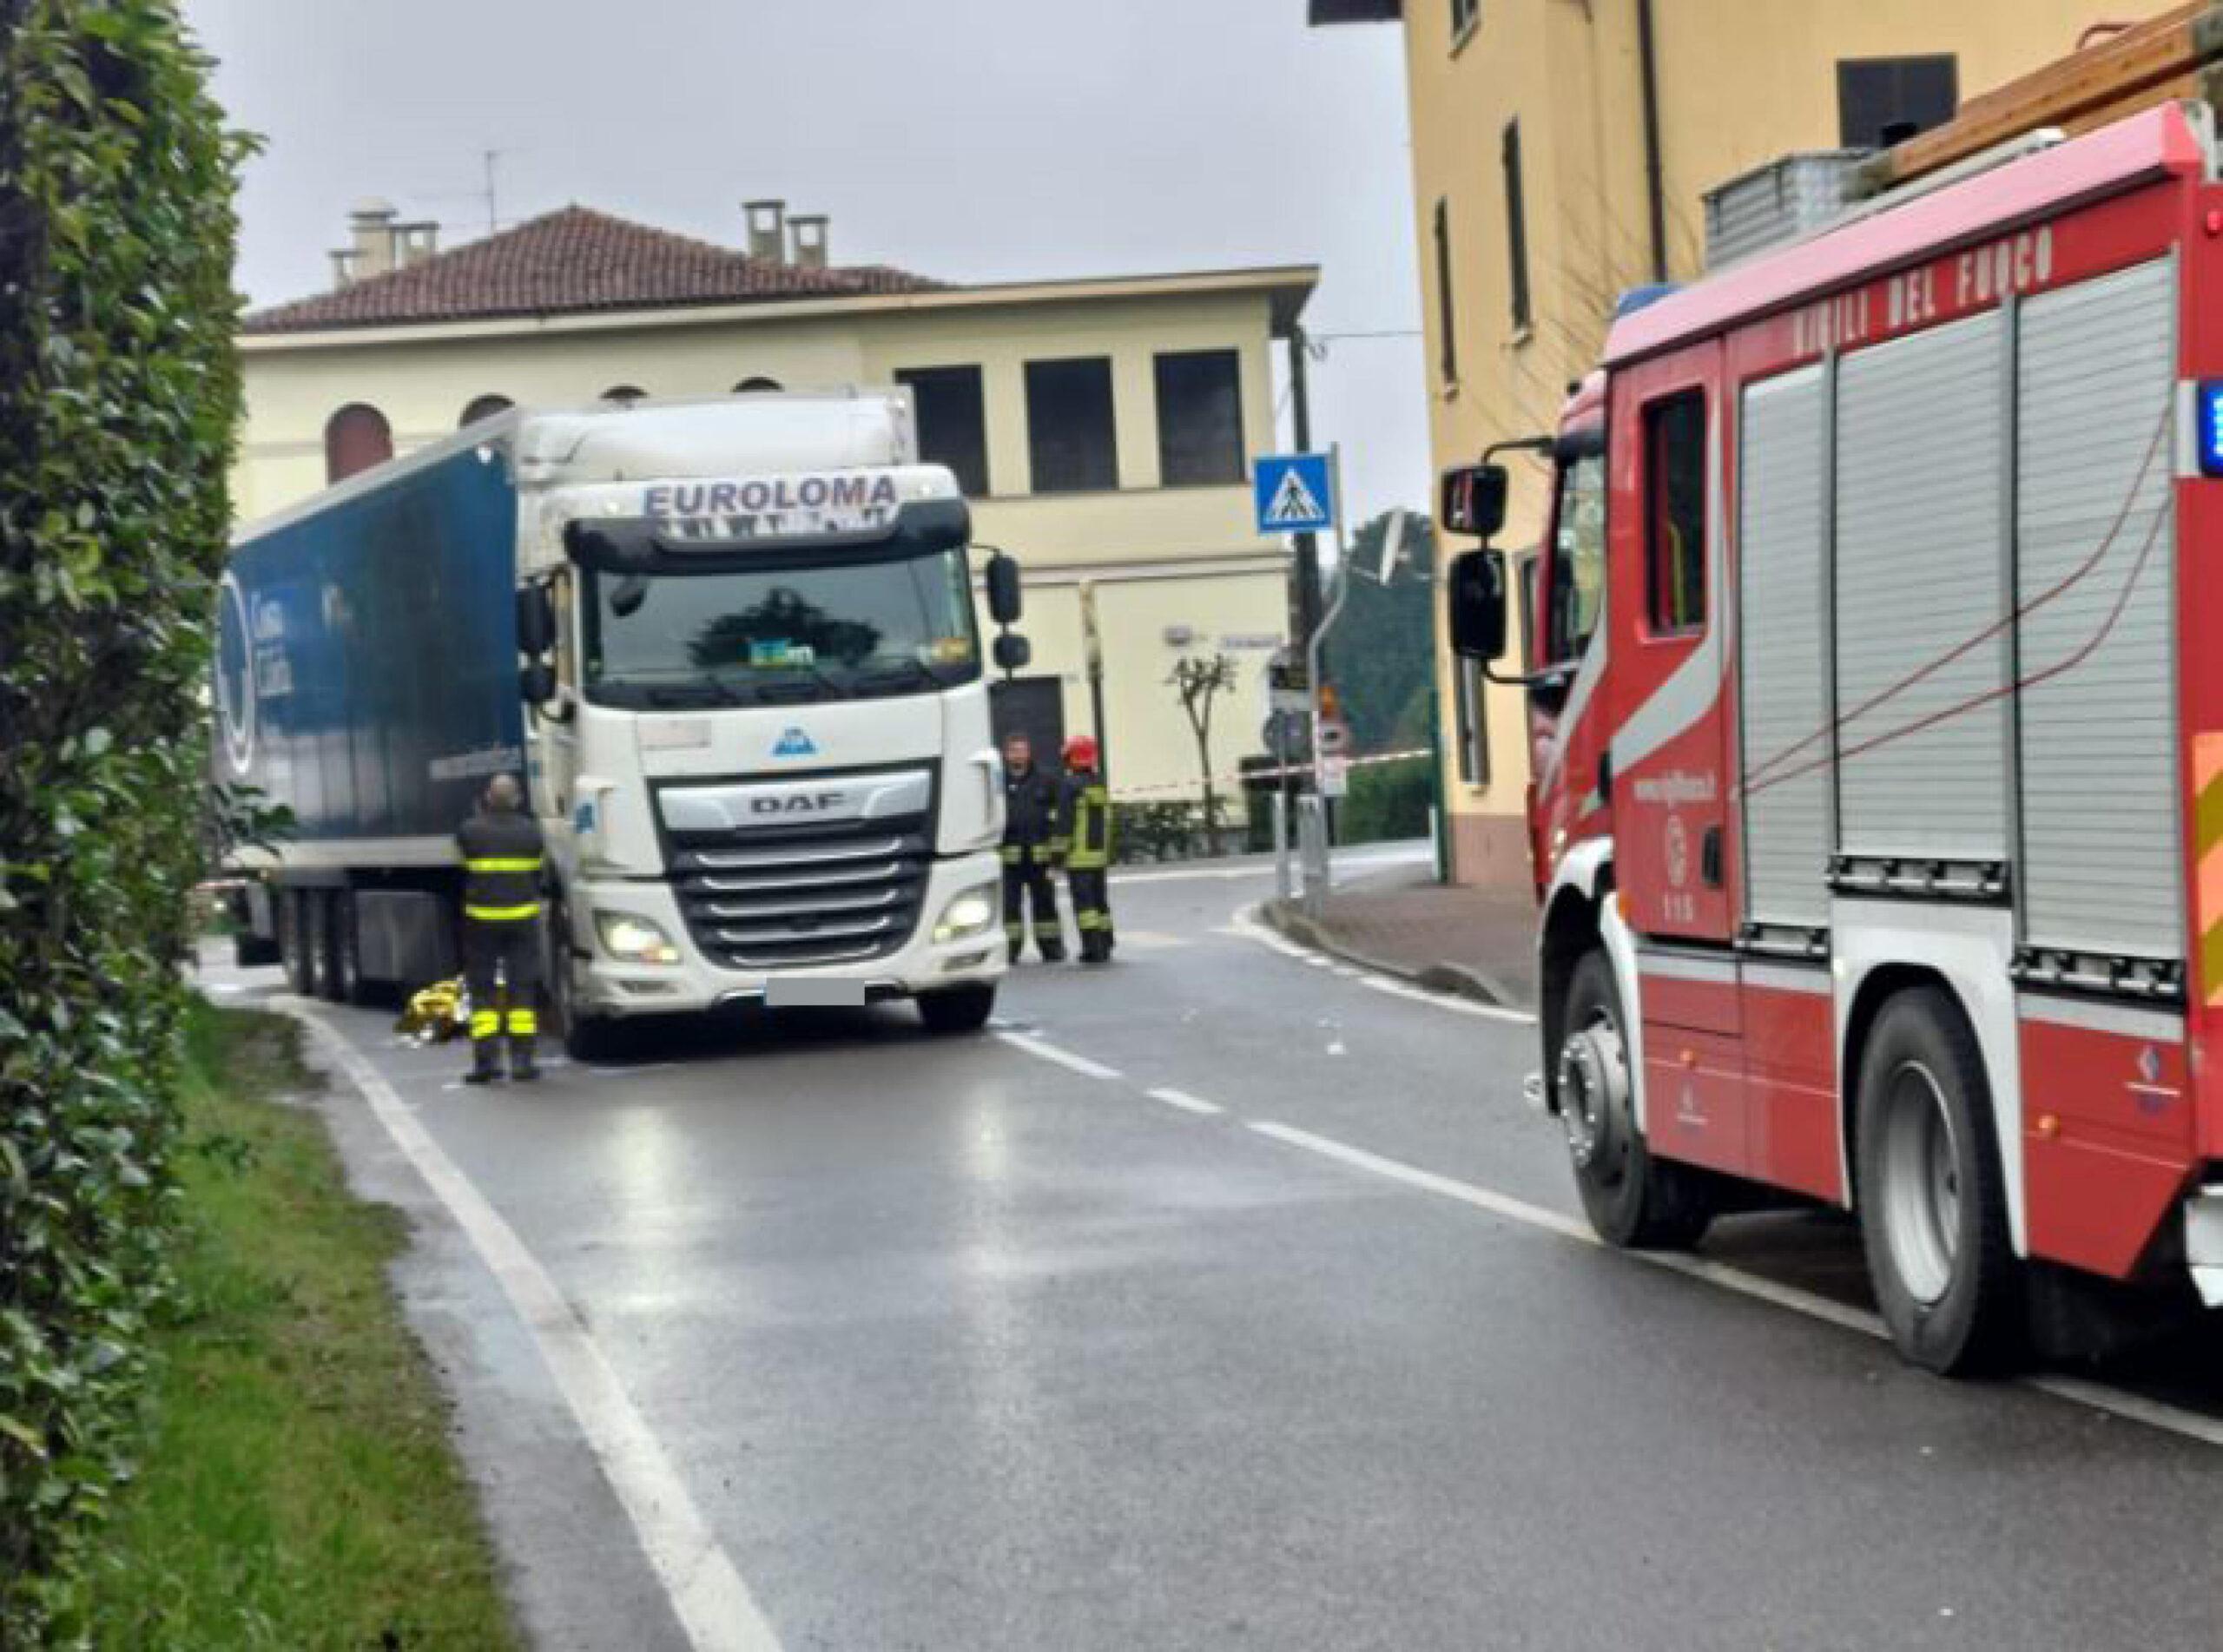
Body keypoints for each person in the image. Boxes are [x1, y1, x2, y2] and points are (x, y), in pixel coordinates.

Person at [456, 773, 545, 1083]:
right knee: (523, 989)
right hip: (522, 921)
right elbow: (539, 874)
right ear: (518, 799)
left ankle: (486, 1065)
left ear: (487, 798)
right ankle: (523, 1063)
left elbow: (460, 869)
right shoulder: (532, 833)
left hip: (481, 923)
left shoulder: (469, 831)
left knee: (482, 992)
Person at [999, 732, 1065, 964]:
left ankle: (1052, 948)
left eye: (1023, 750)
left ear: (1029, 753)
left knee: (1046, 906)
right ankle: (1010, 949)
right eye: (1014, 750)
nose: (1019, 754)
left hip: (1041, 858)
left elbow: (1059, 819)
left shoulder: (1047, 781)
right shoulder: (998, 784)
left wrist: (1057, 857)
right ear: (1006, 755)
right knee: (1009, 909)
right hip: (1009, 860)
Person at [1058, 734, 1115, 964]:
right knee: (1100, 903)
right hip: (1098, 855)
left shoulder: (1069, 785)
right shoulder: (1099, 782)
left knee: (1085, 907)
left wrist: (1056, 858)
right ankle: (1107, 943)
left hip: (1079, 857)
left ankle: (1093, 949)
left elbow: (1064, 824)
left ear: (1071, 757)